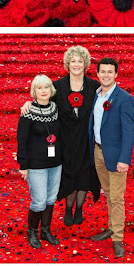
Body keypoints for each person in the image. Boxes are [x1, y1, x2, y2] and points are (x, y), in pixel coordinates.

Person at [88, 57, 134, 259]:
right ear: (97, 74)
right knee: (108, 194)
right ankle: (110, 227)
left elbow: (129, 130)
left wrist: (124, 159)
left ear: (116, 74)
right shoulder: (96, 95)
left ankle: (117, 238)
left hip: (116, 156)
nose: (106, 75)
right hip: (99, 152)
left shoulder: (124, 98)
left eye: (110, 72)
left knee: (116, 198)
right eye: (103, 71)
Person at [52, 46, 101, 226]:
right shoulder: (56, 87)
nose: (76, 64)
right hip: (65, 140)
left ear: (86, 64)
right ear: (67, 64)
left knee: (83, 176)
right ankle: (68, 207)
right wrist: (27, 104)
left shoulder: (95, 87)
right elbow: (43, 102)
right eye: (73, 61)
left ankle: (79, 208)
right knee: (68, 176)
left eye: (80, 61)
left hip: (86, 139)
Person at [17, 74, 62, 249]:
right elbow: (22, 140)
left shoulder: (56, 109)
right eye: (39, 88)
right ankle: (32, 232)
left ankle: (46, 231)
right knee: (39, 201)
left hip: (55, 163)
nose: (43, 91)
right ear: (34, 91)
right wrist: (23, 165)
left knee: (51, 199)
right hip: (36, 165)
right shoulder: (27, 113)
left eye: (46, 87)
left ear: (51, 90)